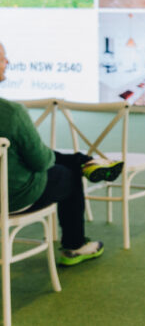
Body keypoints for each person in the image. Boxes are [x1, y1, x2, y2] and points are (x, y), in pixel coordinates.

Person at [0, 42, 123, 266]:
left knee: (52, 158)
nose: (7, 63)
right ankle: (74, 246)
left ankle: (84, 160)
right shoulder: (11, 113)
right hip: (13, 197)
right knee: (67, 174)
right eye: (2, 58)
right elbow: (40, 162)